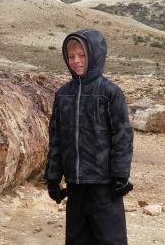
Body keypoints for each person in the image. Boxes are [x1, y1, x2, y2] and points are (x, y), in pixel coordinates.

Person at [45, 29, 134, 245]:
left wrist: (121, 176)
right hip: (76, 186)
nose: (76, 61)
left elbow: (122, 136)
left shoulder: (110, 93)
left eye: (82, 55)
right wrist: (53, 178)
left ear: (95, 55)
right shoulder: (63, 94)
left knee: (110, 240)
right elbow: (56, 138)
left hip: (104, 186)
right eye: (71, 56)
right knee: (77, 240)